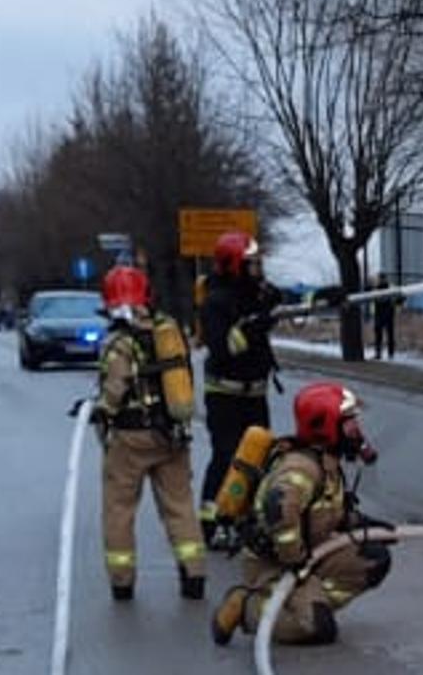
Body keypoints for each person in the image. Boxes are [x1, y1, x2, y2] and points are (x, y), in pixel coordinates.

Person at [211, 382, 391, 646]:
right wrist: (294, 559)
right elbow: (279, 509)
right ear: (326, 426)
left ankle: (309, 602)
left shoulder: (328, 463)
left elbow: (321, 512)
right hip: (273, 564)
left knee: (373, 559)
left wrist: (359, 523)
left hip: (308, 555)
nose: (356, 431)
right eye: (349, 423)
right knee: (317, 629)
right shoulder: (302, 469)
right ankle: (248, 608)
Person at [89, 266, 205, 601]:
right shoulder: (166, 331)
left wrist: (102, 409)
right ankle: (194, 575)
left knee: (119, 509)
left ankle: (122, 581)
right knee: (180, 506)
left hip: (130, 438)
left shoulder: (120, 342)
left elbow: (116, 385)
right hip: (172, 435)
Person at [198, 231, 282, 548]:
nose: (258, 269)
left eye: (258, 263)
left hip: (255, 394)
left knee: (259, 457)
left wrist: (322, 298)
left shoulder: (257, 293)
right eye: (251, 264)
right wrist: (253, 327)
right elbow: (223, 347)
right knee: (227, 456)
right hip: (226, 395)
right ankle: (212, 521)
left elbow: (283, 303)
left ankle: (246, 517)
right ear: (234, 265)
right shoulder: (216, 301)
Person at [370, 274, 395, 360]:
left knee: (385, 335)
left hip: (385, 314)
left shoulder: (387, 288)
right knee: (384, 335)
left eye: (381, 278)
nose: (380, 280)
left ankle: (386, 353)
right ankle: (384, 353)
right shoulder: (385, 288)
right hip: (383, 314)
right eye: (380, 279)